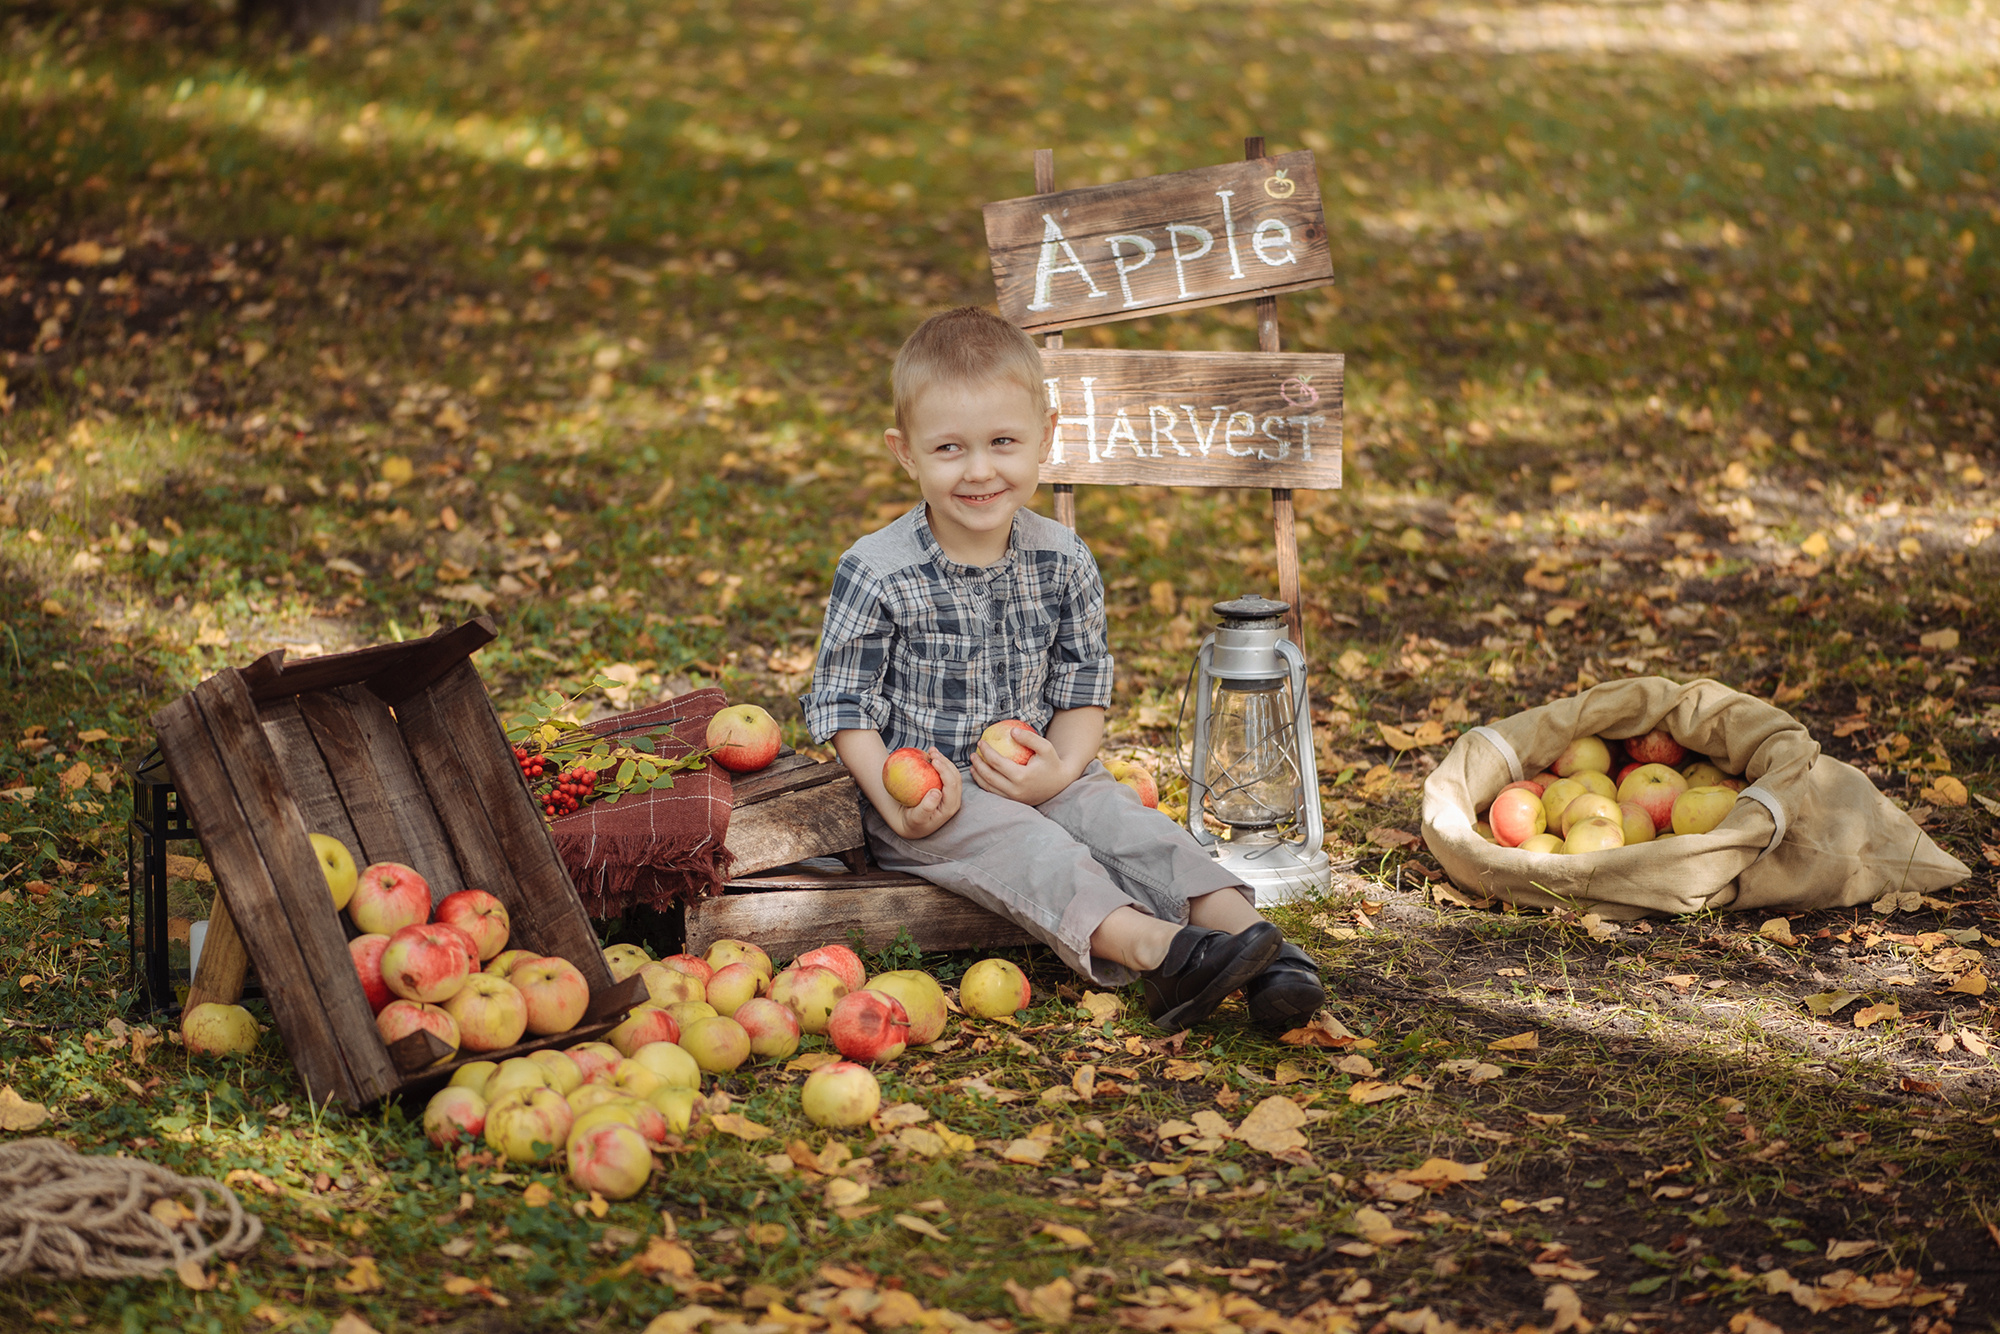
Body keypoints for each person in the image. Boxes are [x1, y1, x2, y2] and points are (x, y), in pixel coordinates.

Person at [800, 307, 1325, 1032]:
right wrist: (894, 805)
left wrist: (1064, 768)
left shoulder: (1064, 559)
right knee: (1036, 850)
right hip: (935, 799)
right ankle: (1162, 954)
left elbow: (1082, 690)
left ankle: (1263, 953)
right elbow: (843, 705)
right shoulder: (877, 571)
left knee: (1129, 825)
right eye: (949, 448)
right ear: (905, 453)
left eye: (1003, 442)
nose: (980, 469)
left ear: (1045, 437)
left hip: (1046, 771)